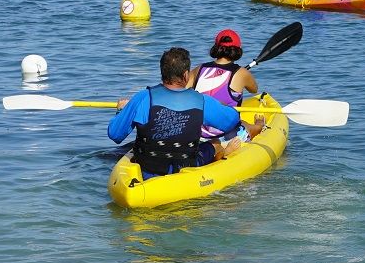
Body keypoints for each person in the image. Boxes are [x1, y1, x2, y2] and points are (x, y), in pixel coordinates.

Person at [108, 47, 264, 177]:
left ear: (162, 72)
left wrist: (122, 110)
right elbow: (231, 122)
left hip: (148, 169)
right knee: (215, 144)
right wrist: (222, 105)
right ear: (185, 75)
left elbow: (115, 135)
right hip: (186, 166)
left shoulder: (142, 98)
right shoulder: (201, 101)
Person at [186, 29, 261, 158]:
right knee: (247, 125)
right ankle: (260, 126)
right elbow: (254, 89)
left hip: (197, 134)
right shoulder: (241, 73)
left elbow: (184, 90)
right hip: (224, 136)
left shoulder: (199, 69)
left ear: (216, 48)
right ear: (237, 50)